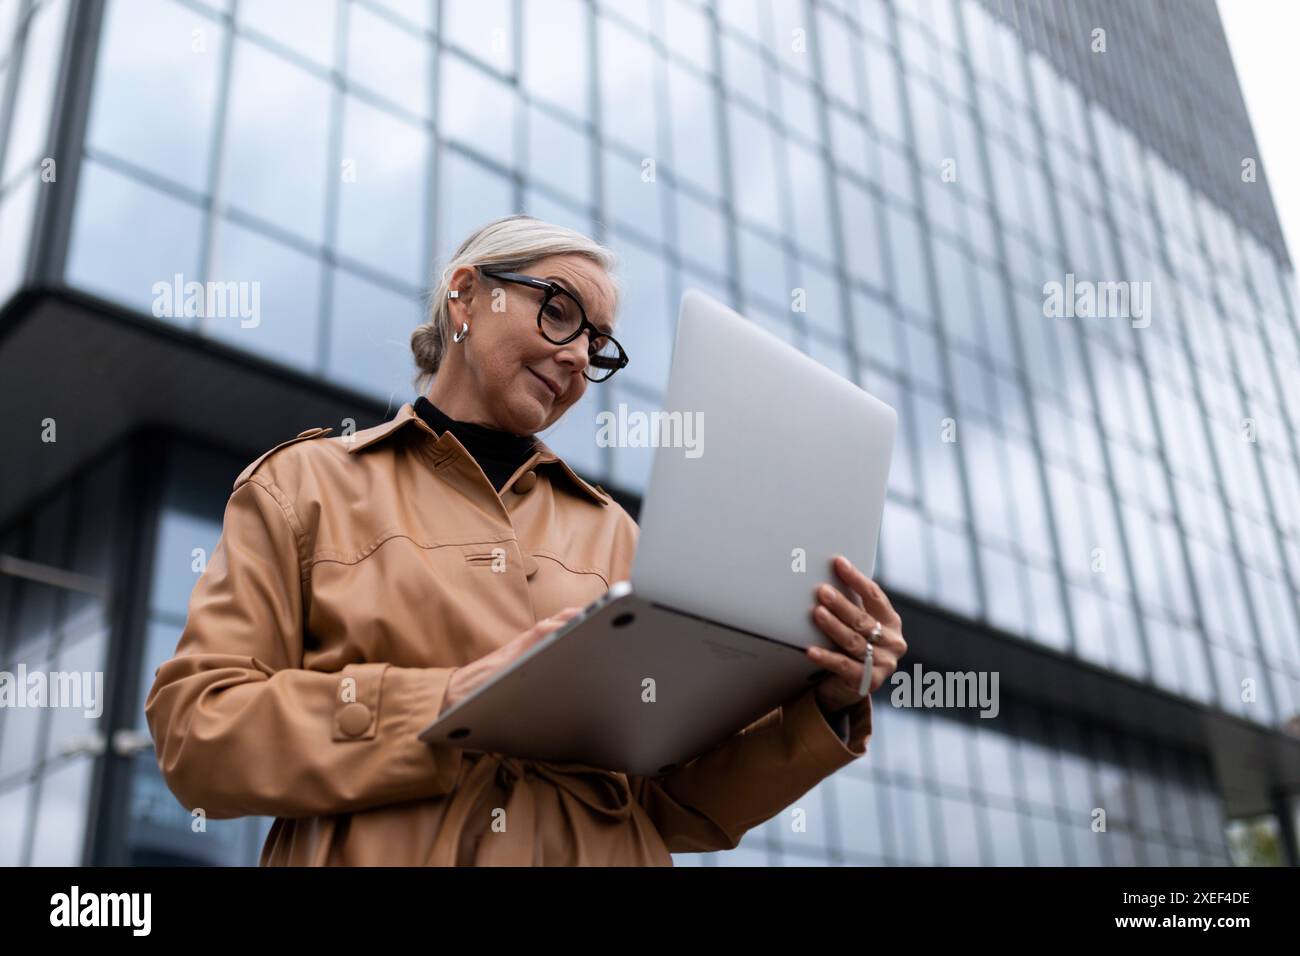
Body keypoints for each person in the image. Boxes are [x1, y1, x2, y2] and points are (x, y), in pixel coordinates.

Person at [145, 213, 907, 866]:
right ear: (468, 295)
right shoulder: (306, 485)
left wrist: (823, 709)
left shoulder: (619, 535)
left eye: (598, 346)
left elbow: (673, 803)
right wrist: (445, 703)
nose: (579, 356)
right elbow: (198, 731)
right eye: (561, 313)